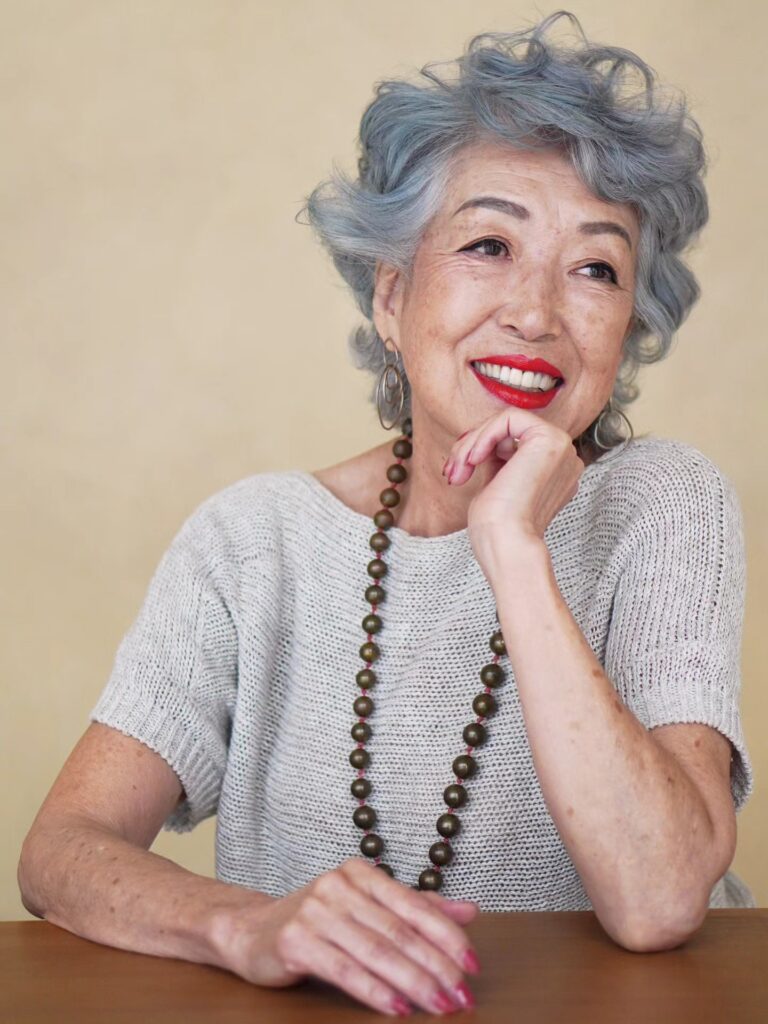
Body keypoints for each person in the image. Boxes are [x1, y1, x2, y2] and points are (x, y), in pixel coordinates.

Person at [18, 10, 754, 1018]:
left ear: (626, 325)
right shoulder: (254, 540)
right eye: (489, 244)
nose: (537, 311)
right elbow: (61, 852)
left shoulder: (664, 504)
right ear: (391, 297)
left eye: (596, 267)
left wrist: (512, 547)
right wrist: (244, 925)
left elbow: (661, 896)